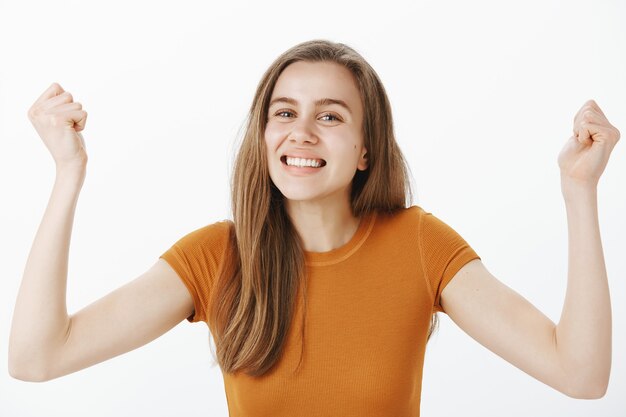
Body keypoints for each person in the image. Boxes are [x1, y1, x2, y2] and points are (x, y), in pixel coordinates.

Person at [8, 39, 620, 416]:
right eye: (284, 113)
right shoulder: (217, 256)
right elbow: (37, 358)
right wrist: (68, 174)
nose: (301, 132)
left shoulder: (418, 245)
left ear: (364, 150)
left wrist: (579, 192)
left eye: (330, 115)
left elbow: (580, 375)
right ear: (265, 135)